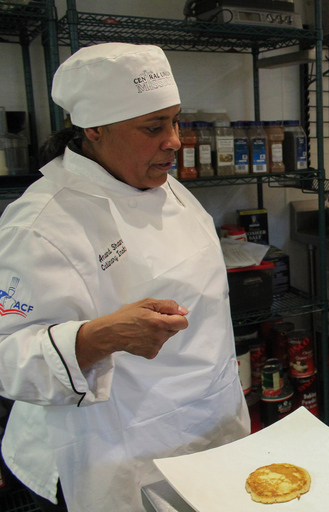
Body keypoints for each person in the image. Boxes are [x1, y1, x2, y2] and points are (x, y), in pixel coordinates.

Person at [0, 43, 249, 511]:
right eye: (153, 127)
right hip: (114, 447)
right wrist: (96, 337)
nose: (175, 140)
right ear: (94, 129)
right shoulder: (41, 222)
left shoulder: (163, 183)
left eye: (175, 121)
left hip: (206, 420)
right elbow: (6, 353)